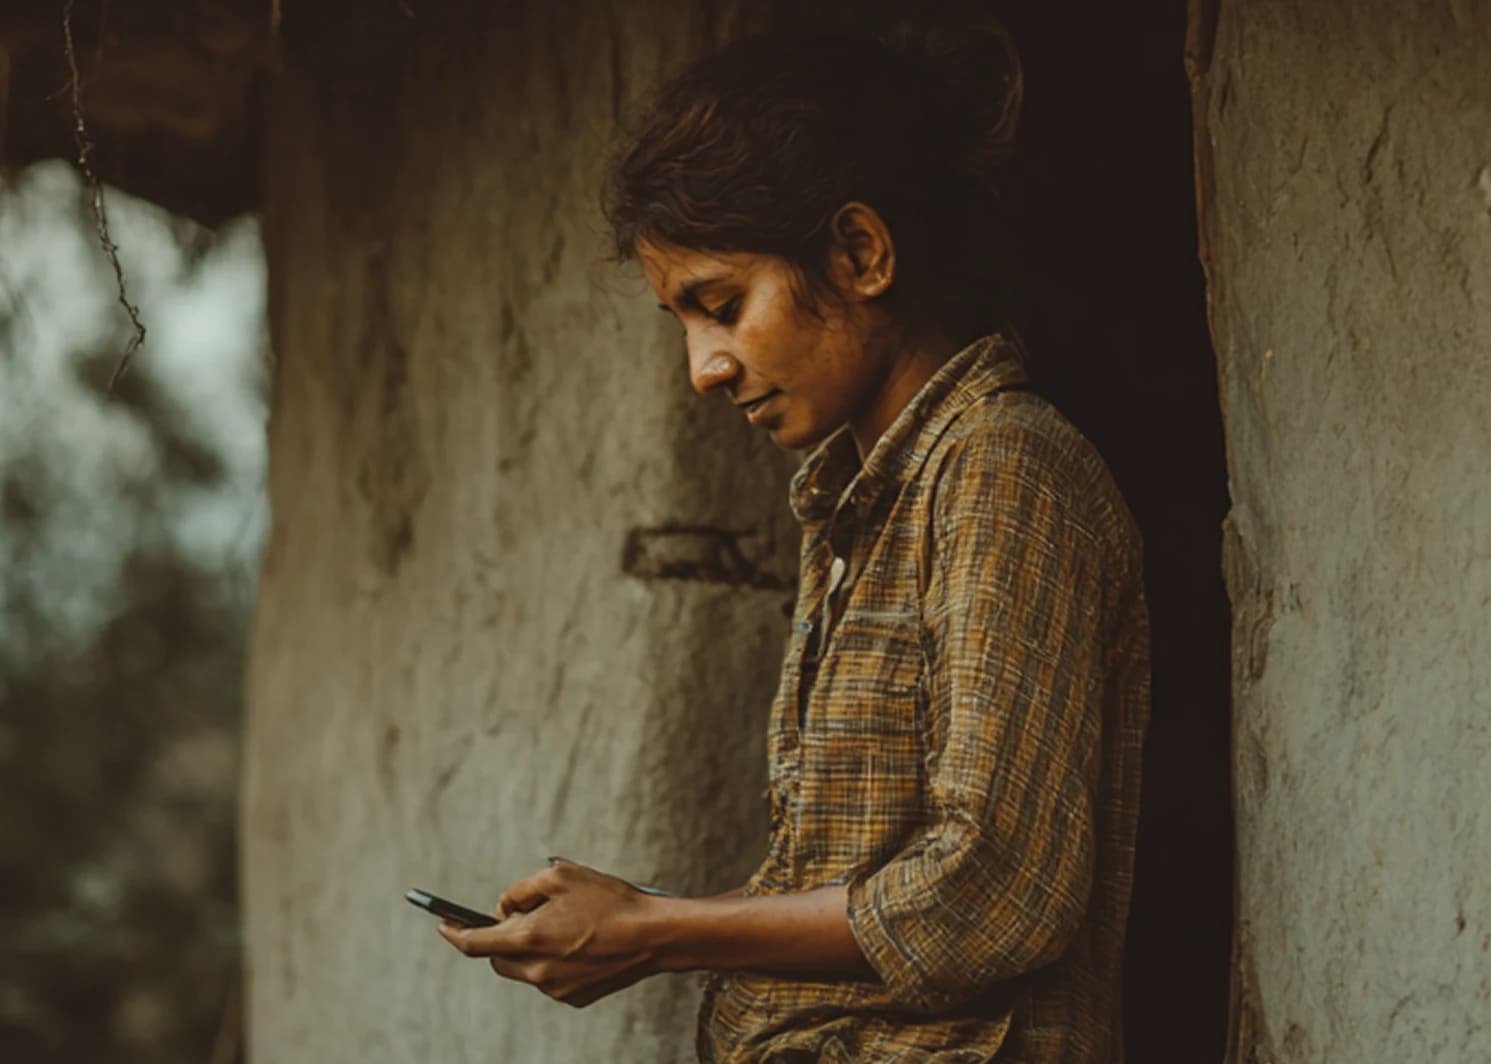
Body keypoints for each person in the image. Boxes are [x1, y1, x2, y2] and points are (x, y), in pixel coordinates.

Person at [436, 15, 1152, 1062]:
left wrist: (657, 927)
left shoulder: (1003, 467)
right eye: (684, 322)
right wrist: (645, 928)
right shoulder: (851, 512)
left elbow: (996, 887)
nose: (703, 367)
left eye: (719, 305)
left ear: (859, 252)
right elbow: (874, 877)